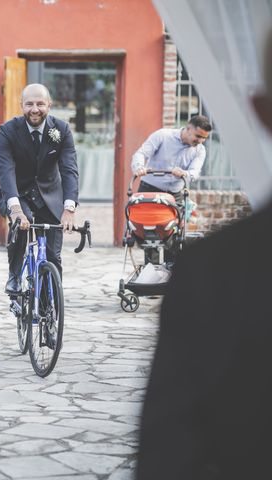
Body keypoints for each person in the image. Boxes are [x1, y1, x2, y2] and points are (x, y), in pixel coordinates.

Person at [136, 30, 272, 480]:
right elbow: (140, 157)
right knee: (143, 218)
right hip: (153, 187)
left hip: (177, 194)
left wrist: (183, 172)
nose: (198, 141)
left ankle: (166, 253)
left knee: (178, 228)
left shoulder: (213, 272)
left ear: (260, 112)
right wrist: (148, 168)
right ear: (190, 126)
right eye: (197, 134)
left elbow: (166, 445)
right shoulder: (161, 135)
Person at [0, 83, 79, 294]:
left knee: (53, 256)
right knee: (22, 226)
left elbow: (69, 170)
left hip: (51, 197)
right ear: (21, 105)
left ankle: (49, 308)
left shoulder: (61, 129)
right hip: (18, 193)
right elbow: (5, 170)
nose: (35, 109)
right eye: (29, 104)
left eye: (40, 103)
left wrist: (69, 208)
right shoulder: (8, 131)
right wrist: (15, 209)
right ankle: (14, 275)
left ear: (49, 105)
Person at [131, 115, 212, 206]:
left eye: (204, 138)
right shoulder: (162, 135)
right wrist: (139, 167)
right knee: (142, 219)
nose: (200, 141)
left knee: (178, 220)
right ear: (188, 128)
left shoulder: (200, 150)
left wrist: (185, 174)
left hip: (175, 196)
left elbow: (195, 172)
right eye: (198, 136)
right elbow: (141, 153)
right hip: (149, 190)